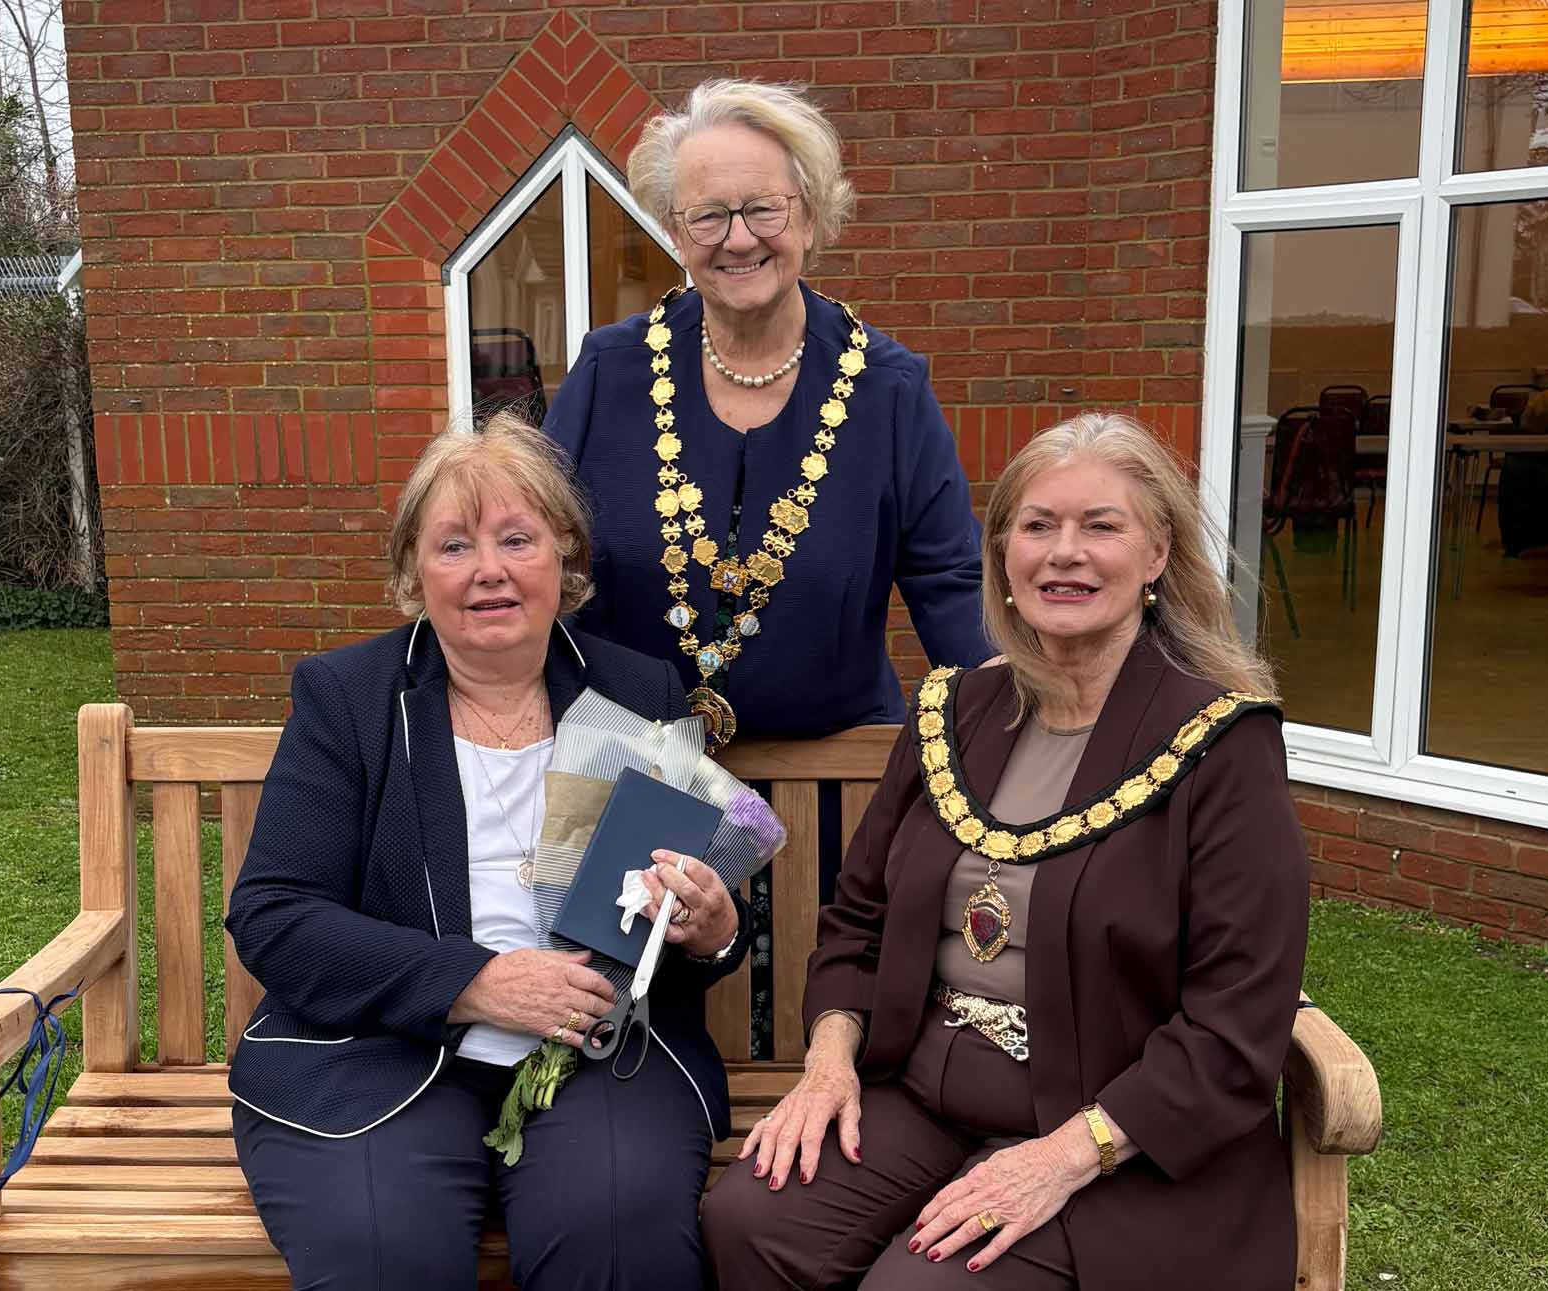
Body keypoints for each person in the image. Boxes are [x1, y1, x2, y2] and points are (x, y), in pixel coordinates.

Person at [702, 413, 1311, 1290]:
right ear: (1004, 558)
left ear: (1156, 555)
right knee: (754, 1222)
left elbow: (1236, 1024)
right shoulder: (953, 710)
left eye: (1101, 525)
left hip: (1117, 1136)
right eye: (1038, 525)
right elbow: (857, 920)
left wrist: (1059, 1159)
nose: (1065, 552)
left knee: (921, 1286)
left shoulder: (1223, 743)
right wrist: (829, 1065)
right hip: (924, 1092)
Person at [225, 413, 751, 1291]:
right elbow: (275, 916)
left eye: (517, 538)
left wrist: (711, 924)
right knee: (381, 1246)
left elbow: (690, 913)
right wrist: (474, 982)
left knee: (618, 1234)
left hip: (597, 1049)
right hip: (378, 1051)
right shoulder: (348, 699)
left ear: (565, 561)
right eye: (454, 546)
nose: (490, 571)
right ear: (412, 574)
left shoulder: (637, 689)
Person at [544, 77, 989, 752]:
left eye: (763, 210)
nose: (739, 239)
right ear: (675, 230)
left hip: (834, 782)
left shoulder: (888, 391)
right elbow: (535, 548)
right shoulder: (611, 371)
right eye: (709, 215)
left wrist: (1020, 727)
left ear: (810, 217)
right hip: (632, 778)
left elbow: (952, 584)